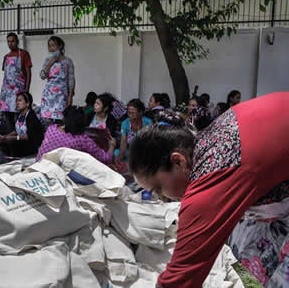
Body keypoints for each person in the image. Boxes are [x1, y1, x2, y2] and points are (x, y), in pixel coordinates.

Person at [129, 92, 289, 287]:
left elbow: (181, 278)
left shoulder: (210, 181)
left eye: (158, 188)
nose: (161, 198)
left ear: (178, 161)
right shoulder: (208, 139)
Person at [37, 107, 116, 165]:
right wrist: (112, 145)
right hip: (55, 173)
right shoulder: (81, 139)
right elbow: (106, 159)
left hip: (38, 165)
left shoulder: (52, 128)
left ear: (64, 118)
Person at [0, 32, 32, 130]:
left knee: (18, 115)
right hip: (6, 91)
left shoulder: (24, 54)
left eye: (12, 41)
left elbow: (28, 73)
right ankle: (9, 138)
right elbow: (6, 74)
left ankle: (18, 137)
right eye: (8, 42)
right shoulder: (6, 56)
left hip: (18, 90)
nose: (10, 44)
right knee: (7, 116)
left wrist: (26, 89)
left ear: (17, 41)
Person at [0, 91, 44, 157]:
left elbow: (29, 136)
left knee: (12, 143)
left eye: (20, 101)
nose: (17, 103)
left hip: (31, 144)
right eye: (16, 101)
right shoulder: (20, 115)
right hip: (21, 140)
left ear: (27, 103)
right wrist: (5, 137)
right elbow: (17, 130)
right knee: (3, 141)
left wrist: (12, 138)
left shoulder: (31, 117)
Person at [39, 36, 75, 126]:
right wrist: (50, 63)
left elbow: (71, 79)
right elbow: (42, 76)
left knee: (62, 119)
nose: (51, 48)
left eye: (53, 45)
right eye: (49, 46)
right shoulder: (48, 60)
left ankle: (60, 138)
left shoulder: (68, 61)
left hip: (62, 95)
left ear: (60, 46)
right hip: (49, 94)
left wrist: (70, 97)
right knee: (47, 120)